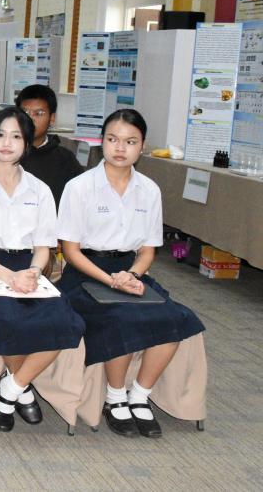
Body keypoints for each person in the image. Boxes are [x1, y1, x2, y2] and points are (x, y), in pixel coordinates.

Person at [57, 109, 204, 439]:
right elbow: (70, 251)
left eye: (130, 141)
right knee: (121, 317)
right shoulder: (80, 187)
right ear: (102, 142)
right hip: (86, 273)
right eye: (112, 139)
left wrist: (132, 275)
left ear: (142, 147)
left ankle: (139, 395)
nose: (120, 148)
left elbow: (148, 250)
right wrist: (110, 280)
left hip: (130, 273)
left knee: (176, 318)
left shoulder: (149, 190)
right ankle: (115, 398)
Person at [0, 107, 85, 433]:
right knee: (9, 316)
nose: (6, 143)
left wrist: (34, 272)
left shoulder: (39, 189)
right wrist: (8, 277)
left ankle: (11, 388)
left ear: (27, 143)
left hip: (28, 270)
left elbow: (43, 246)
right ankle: (20, 390)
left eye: (15, 136)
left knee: (65, 320)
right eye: (0, 135)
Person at [15, 84, 83, 208]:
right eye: (25, 112)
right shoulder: (6, 153)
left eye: (39, 113)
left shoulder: (66, 160)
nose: (30, 119)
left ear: (52, 118)